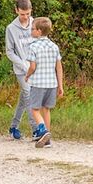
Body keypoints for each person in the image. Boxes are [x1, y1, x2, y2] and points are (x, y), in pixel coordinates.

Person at [24, 17, 64, 148]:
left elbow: (32, 67)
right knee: (46, 110)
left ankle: (43, 131)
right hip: (52, 84)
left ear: (39, 31)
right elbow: (58, 67)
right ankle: (47, 140)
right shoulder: (54, 47)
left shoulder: (33, 47)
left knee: (34, 109)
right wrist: (60, 85)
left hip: (38, 83)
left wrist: (27, 75)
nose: (31, 30)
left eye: (33, 29)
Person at [6, 0, 36, 140]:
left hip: (35, 68)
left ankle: (13, 127)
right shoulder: (11, 28)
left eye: (27, 14)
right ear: (16, 11)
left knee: (24, 98)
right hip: (21, 70)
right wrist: (23, 64)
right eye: (22, 14)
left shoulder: (35, 24)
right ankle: (37, 130)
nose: (25, 17)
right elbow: (9, 51)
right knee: (29, 95)